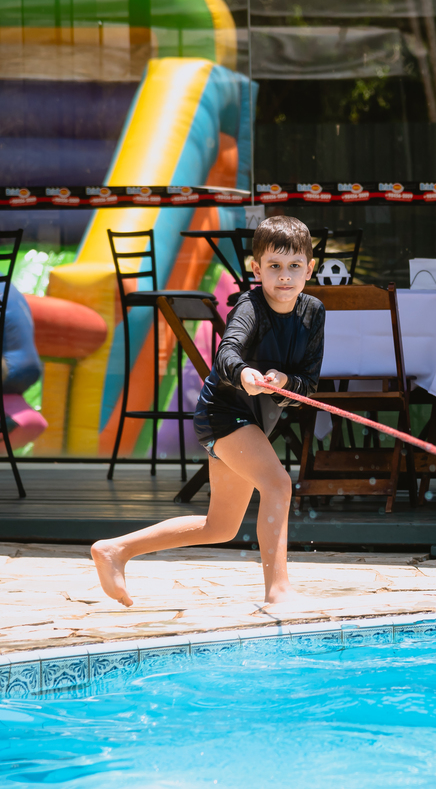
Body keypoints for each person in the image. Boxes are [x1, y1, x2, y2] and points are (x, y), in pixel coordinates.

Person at [92, 215, 324, 605]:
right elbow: (227, 352)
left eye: (294, 266)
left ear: (309, 269)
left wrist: (285, 383)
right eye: (274, 266)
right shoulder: (249, 306)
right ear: (256, 269)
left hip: (254, 420)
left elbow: (308, 383)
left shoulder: (312, 312)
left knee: (219, 527)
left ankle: (116, 550)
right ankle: (278, 589)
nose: (285, 276)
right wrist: (245, 372)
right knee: (279, 483)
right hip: (223, 414)